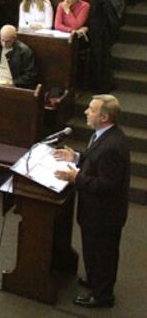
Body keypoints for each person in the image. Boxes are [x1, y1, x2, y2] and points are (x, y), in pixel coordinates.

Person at [53, 95, 130, 308]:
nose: (86, 112)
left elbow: (107, 185)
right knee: (94, 250)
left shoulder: (113, 146)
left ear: (104, 117)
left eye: (92, 110)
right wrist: (76, 158)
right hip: (96, 212)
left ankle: (102, 296)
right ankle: (95, 280)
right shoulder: (103, 135)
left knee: (102, 252)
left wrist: (76, 177)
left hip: (105, 214)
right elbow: (95, 161)